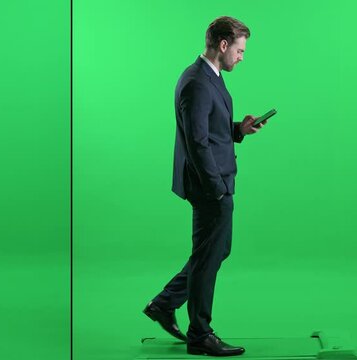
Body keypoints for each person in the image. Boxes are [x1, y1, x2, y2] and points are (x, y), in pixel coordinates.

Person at [143, 16, 266, 357]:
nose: (241, 57)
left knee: (213, 251)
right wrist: (216, 188)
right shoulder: (197, 81)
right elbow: (197, 143)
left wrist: (238, 129)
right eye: (239, 50)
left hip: (218, 181)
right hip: (211, 185)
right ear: (223, 45)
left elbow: (210, 128)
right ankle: (200, 333)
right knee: (209, 255)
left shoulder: (210, 77)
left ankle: (163, 304)